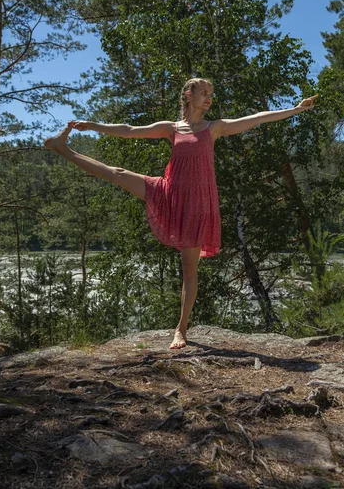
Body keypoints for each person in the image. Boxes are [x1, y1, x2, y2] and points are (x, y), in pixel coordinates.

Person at [45, 78, 317, 349]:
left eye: (211, 93)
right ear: (189, 95)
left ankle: (181, 329)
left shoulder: (214, 128)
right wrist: (93, 126)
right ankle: (61, 148)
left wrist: (294, 110)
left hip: (198, 205)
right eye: (204, 93)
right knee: (117, 174)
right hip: (169, 192)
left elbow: (256, 118)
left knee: (190, 270)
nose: (209, 98)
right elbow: (128, 130)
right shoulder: (171, 129)